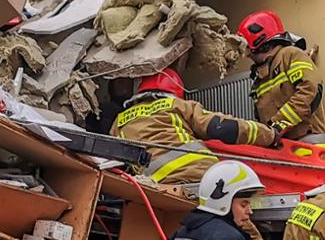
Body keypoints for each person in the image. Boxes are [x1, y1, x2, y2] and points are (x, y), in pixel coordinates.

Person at [110, 68, 279, 184]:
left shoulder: (119, 121)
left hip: (154, 183)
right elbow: (223, 128)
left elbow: (112, 160)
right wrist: (270, 135)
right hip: (201, 174)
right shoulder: (177, 105)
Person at [238, 11, 325, 143]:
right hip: (280, 145)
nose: (247, 54)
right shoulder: (260, 76)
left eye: (247, 48)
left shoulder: (290, 55)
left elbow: (310, 90)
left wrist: (279, 124)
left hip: (307, 141)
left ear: (259, 40)